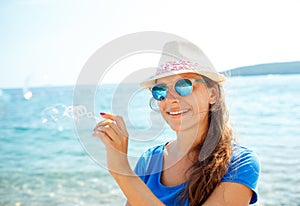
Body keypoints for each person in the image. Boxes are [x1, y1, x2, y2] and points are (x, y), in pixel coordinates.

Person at [93, 41, 260, 206]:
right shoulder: (149, 161)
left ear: (212, 94)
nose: (171, 99)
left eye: (183, 85)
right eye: (161, 90)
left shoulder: (240, 163)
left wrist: (122, 171)